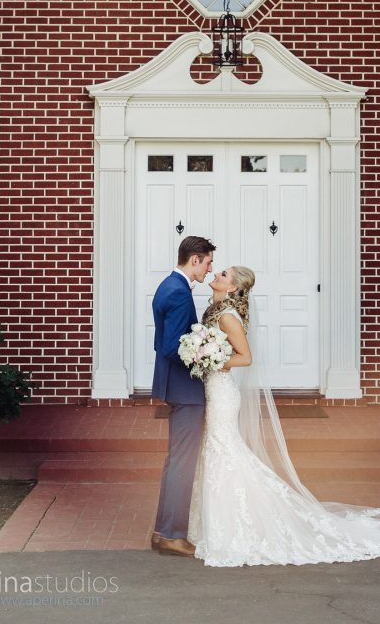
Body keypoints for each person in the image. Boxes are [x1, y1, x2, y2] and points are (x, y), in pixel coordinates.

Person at [187, 265, 380, 567]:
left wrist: (212, 358)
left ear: (232, 288)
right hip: (213, 391)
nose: (217, 275)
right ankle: (217, 523)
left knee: (223, 451)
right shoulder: (214, 309)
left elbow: (246, 357)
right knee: (219, 451)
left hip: (223, 394)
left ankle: (236, 527)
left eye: (224, 275)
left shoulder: (227, 316)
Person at [151, 235, 216, 557]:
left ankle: (162, 531)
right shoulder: (178, 293)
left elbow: (160, 342)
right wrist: (205, 355)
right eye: (207, 263)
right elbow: (171, 346)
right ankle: (173, 535)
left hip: (173, 385)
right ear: (194, 260)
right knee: (182, 462)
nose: (209, 269)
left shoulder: (167, 285)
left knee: (175, 460)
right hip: (185, 388)